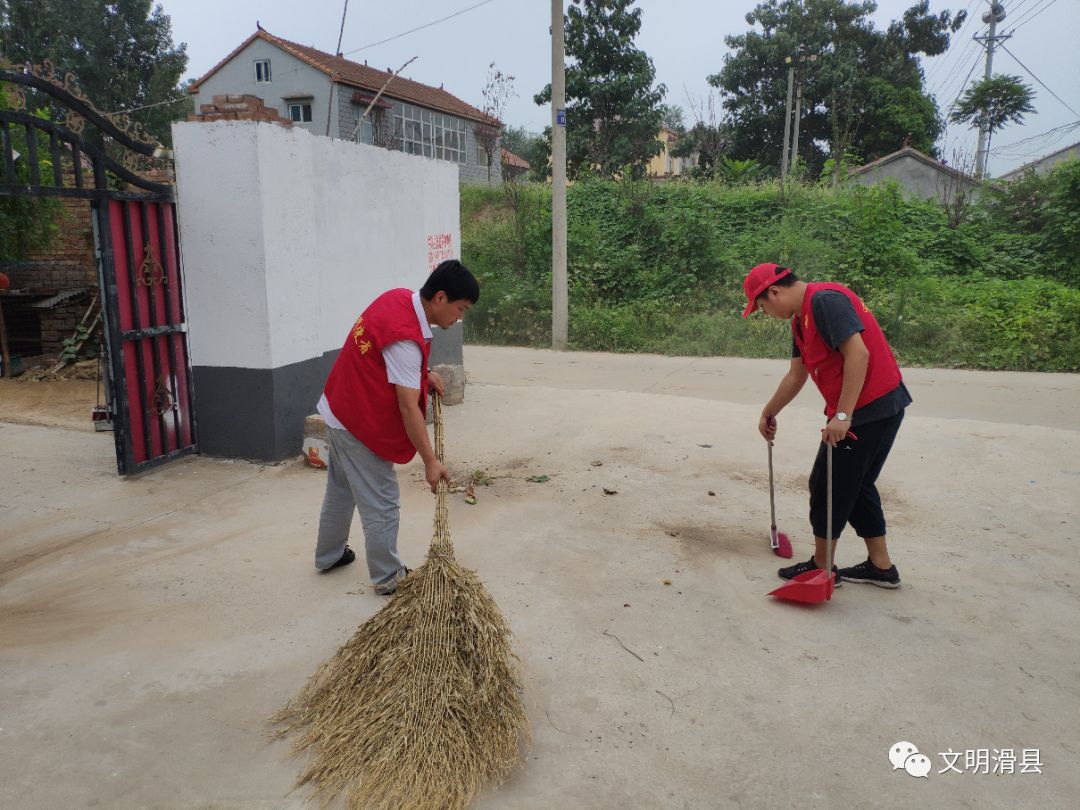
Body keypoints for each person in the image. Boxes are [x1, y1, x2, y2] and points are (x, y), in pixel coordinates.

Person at [313, 259, 479, 595]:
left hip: (339, 405)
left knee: (342, 489)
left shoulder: (399, 298)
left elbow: (396, 363)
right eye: (461, 308)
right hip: (358, 421)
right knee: (382, 499)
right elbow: (407, 406)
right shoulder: (405, 338)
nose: (460, 317)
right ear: (441, 298)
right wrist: (431, 461)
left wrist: (423, 374)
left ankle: (328, 556)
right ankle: (388, 577)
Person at [742, 263, 911, 588]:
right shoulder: (800, 321)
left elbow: (857, 355)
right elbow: (797, 374)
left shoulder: (824, 302)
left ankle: (822, 568)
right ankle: (882, 567)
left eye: (762, 306)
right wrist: (769, 411)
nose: (766, 312)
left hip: (870, 408)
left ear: (774, 292)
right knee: (857, 486)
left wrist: (843, 416)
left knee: (827, 484)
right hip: (878, 407)